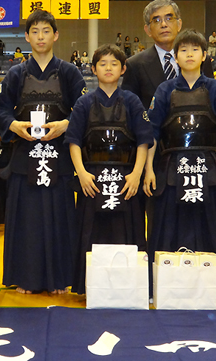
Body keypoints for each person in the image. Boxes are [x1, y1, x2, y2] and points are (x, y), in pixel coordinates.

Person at [143, 29, 216, 308]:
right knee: (167, 227)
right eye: (183, 50)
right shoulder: (165, 90)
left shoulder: (215, 89)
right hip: (171, 167)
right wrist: (149, 170)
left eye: (194, 50)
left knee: (210, 228)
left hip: (207, 168)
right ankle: (161, 286)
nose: (189, 54)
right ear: (175, 57)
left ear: (203, 55)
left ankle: (214, 289)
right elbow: (151, 134)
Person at [0, 9, 86, 295]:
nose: (41, 36)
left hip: (57, 156)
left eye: (46, 31)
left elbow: (83, 111)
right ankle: (26, 277)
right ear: (27, 37)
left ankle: (59, 279)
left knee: (59, 217)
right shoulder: (16, 74)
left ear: (55, 35)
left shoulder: (70, 72)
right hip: (25, 156)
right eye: (35, 32)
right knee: (27, 219)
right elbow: (0, 109)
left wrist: (66, 125)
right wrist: (14, 125)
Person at [64, 44, 153, 294]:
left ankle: (130, 288)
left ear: (123, 69)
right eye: (102, 64)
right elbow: (73, 141)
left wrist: (137, 173)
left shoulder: (132, 101)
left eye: (114, 63)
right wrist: (81, 173)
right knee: (91, 231)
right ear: (93, 69)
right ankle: (88, 287)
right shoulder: (83, 103)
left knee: (129, 231)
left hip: (126, 178)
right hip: (92, 178)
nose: (108, 68)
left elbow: (144, 140)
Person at [122, 0, 213, 111]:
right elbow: (129, 109)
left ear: (179, 24)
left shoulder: (201, 60)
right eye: (157, 21)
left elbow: (211, 102)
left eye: (169, 18)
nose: (164, 24)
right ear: (148, 30)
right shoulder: (135, 65)